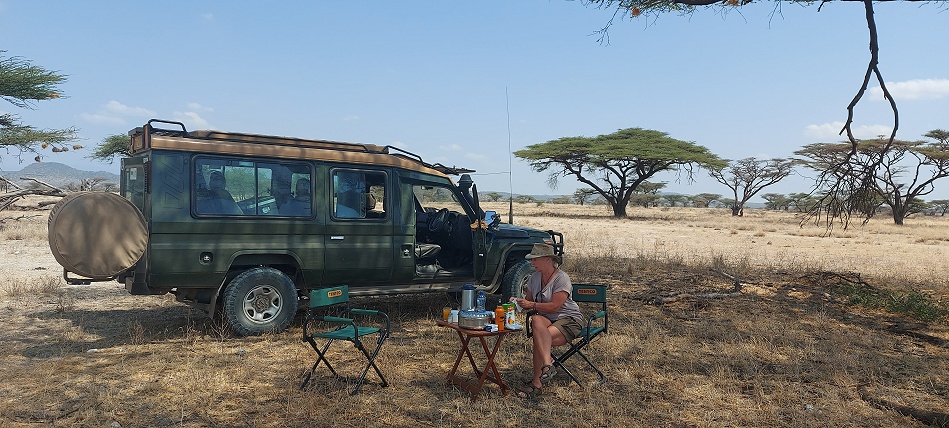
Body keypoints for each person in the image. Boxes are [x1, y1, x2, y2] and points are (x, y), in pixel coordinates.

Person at [513, 243, 583, 399]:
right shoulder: (534, 278)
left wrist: (531, 304)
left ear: (546, 259)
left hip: (568, 319)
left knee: (540, 338)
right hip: (547, 320)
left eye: (535, 259)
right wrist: (518, 302)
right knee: (536, 320)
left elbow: (555, 307)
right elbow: (529, 302)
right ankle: (547, 365)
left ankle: (537, 384)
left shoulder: (562, 278)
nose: (531, 263)